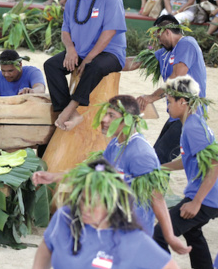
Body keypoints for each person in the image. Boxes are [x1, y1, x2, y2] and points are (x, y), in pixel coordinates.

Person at [32, 95, 191, 254]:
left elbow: (156, 197)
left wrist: (169, 237)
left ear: (128, 120)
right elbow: (95, 172)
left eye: (112, 116)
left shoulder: (141, 154)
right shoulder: (116, 144)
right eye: (105, 114)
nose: (104, 120)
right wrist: (54, 177)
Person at [32, 158, 179, 269]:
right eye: (82, 200)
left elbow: (170, 267)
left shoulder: (132, 240)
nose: (85, 208)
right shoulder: (65, 217)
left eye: (94, 203)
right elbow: (47, 245)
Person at [43, 0, 126, 131]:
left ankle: (69, 109)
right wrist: (70, 49)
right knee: (51, 65)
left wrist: (88, 58)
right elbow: (65, 31)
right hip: (80, 51)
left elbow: (109, 31)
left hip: (109, 52)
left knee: (93, 67)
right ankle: (69, 112)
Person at [153, 75, 218, 269]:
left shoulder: (192, 127)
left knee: (160, 233)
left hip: (207, 197)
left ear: (183, 101)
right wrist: (161, 168)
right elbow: (190, 159)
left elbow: (214, 164)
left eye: (169, 101)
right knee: (192, 233)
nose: (167, 107)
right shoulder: (191, 123)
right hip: (205, 194)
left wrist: (196, 202)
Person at [129, 15, 206, 163]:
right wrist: (109, 62)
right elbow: (136, 62)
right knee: (159, 158)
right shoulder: (164, 52)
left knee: (158, 158)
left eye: (158, 36)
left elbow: (177, 77)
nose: (158, 41)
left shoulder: (187, 43)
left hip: (190, 115)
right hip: (176, 116)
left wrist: (151, 97)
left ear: (167, 32)